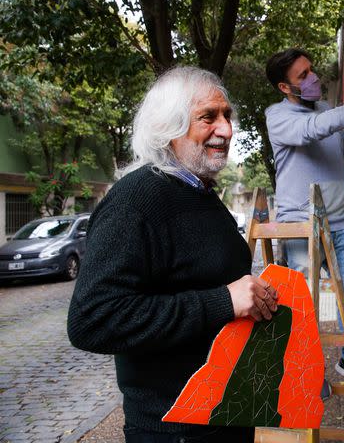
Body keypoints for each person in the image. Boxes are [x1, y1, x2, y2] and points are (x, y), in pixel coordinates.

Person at [68, 66, 279, 443]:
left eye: (227, 116)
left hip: (228, 414)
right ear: (170, 127)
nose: (226, 129)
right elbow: (92, 320)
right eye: (208, 117)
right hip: (176, 430)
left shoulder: (200, 192)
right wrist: (222, 302)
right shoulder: (136, 200)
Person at [264, 48, 344, 394]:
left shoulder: (324, 111)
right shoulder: (278, 116)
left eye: (311, 70)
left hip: (343, 223)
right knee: (303, 305)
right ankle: (307, 369)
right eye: (302, 76)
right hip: (302, 226)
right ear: (284, 87)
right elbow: (313, 130)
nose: (313, 78)